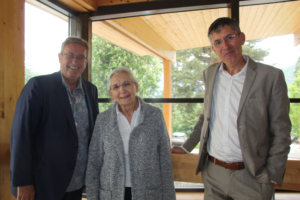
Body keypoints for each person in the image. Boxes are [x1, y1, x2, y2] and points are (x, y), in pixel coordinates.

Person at [172, 17, 291, 200]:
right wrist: (187, 147)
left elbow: (281, 131)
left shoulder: (271, 77)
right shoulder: (210, 74)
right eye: (218, 42)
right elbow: (206, 118)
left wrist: (272, 176)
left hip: (253, 177)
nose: (225, 46)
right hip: (213, 175)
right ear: (213, 48)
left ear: (241, 38)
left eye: (230, 37)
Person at [10, 37, 99, 200]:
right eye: (70, 54)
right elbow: (21, 135)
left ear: (86, 61)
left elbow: (91, 135)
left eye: (80, 57)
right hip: (43, 184)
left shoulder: (91, 90)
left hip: (77, 183)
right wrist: (23, 182)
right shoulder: (38, 86)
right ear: (60, 57)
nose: (75, 61)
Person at [86, 67, 176, 200]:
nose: (122, 90)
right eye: (116, 87)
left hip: (148, 193)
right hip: (111, 194)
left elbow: (165, 162)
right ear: (111, 94)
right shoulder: (103, 120)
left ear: (136, 87)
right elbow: (94, 163)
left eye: (127, 84)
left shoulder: (155, 115)